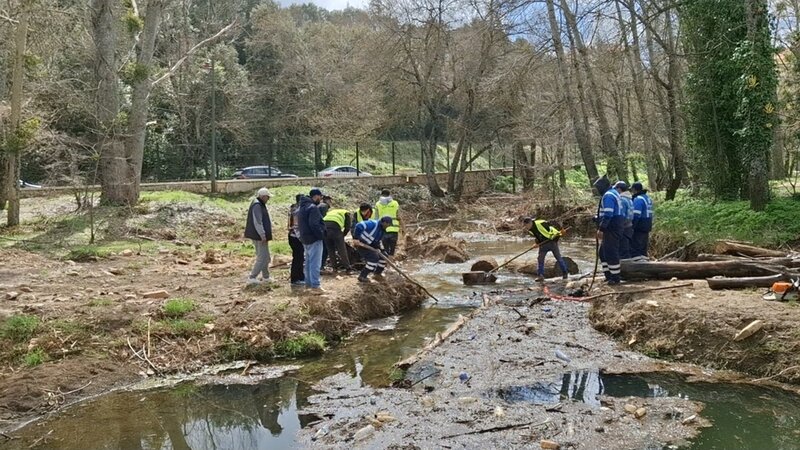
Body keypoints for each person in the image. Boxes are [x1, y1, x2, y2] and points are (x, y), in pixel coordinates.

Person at [594, 175, 625, 285]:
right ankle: (608, 275)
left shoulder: (608, 195)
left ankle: (615, 278)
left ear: (602, 187)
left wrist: (601, 229)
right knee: (602, 252)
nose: (597, 191)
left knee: (611, 252)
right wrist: (597, 219)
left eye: (598, 188)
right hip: (615, 225)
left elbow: (608, 214)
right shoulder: (613, 193)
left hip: (612, 227)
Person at [297, 188, 327, 292]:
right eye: (320, 197)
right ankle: (316, 286)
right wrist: (320, 235)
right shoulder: (313, 208)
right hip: (314, 238)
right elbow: (314, 224)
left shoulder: (302, 207)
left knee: (309, 262)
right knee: (315, 263)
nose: (321, 199)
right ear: (316, 196)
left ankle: (309, 284)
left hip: (305, 238)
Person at [523, 217, 569, 282]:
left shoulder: (540, 223)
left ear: (530, 223)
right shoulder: (530, 230)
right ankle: (540, 276)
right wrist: (537, 244)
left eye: (526, 225)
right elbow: (538, 237)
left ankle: (565, 273)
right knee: (540, 259)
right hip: (543, 245)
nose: (526, 227)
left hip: (552, 242)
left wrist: (559, 234)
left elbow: (552, 228)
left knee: (558, 258)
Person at [244, 188, 273, 285]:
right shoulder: (257, 205)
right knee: (262, 257)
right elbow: (258, 222)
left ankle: (266, 276)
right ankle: (252, 277)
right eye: (267, 197)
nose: (268, 199)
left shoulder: (258, 203)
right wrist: (262, 235)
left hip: (258, 235)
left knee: (266, 257)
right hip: (258, 236)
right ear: (263, 196)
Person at [353, 216, 393, 283]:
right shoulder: (373, 224)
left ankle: (377, 274)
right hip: (361, 245)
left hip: (370, 245)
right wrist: (356, 238)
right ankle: (362, 276)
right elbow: (359, 225)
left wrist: (382, 250)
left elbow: (378, 241)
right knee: (374, 258)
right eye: (388, 224)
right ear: (384, 223)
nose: (388, 226)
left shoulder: (382, 230)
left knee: (384, 257)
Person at [323, 205, 353, 272]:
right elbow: (347, 227)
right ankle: (348, 268)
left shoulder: (331, 212)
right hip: (335, 229)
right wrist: (343, 235)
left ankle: (334, 268)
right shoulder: (346, 213)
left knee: (330, 250)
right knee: (342, 249)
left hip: (324, 228)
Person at [631, 182, 654, 261]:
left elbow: (636, 214)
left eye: (632, 190)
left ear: (634, 189)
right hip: (648, 223)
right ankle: (644, 259)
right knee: (644, 244)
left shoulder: (638, 199)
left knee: (636, 243)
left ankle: (637, 263)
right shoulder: (647, 198)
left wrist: (632, 225)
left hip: (640, 223)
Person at [375, 189, 400, 256]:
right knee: (392, 250)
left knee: (385, 249)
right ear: (390, 195)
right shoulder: (395, 203)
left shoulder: (377, 204)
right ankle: (391, 262)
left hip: (383, 229)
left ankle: (386, 263)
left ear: (381, 195)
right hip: (394, 229)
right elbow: (398, 216)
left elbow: (376, 218)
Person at [288, 194, 305, 287]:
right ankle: (295, 279)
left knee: (299, 257)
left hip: (292, 236)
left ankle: (300, 277)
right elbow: (296, 226)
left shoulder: (293, 208)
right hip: (296, 237)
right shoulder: (297, 211)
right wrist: (301, 239)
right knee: (298, 258)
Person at [616, 181, 634, 260]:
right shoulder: (629, 199)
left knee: (623, 249)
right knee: (627, 247)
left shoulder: (622, 200)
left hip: (624, 226)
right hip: (629, 226)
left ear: (619, 189)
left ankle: (624, 268)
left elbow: (622, 215)